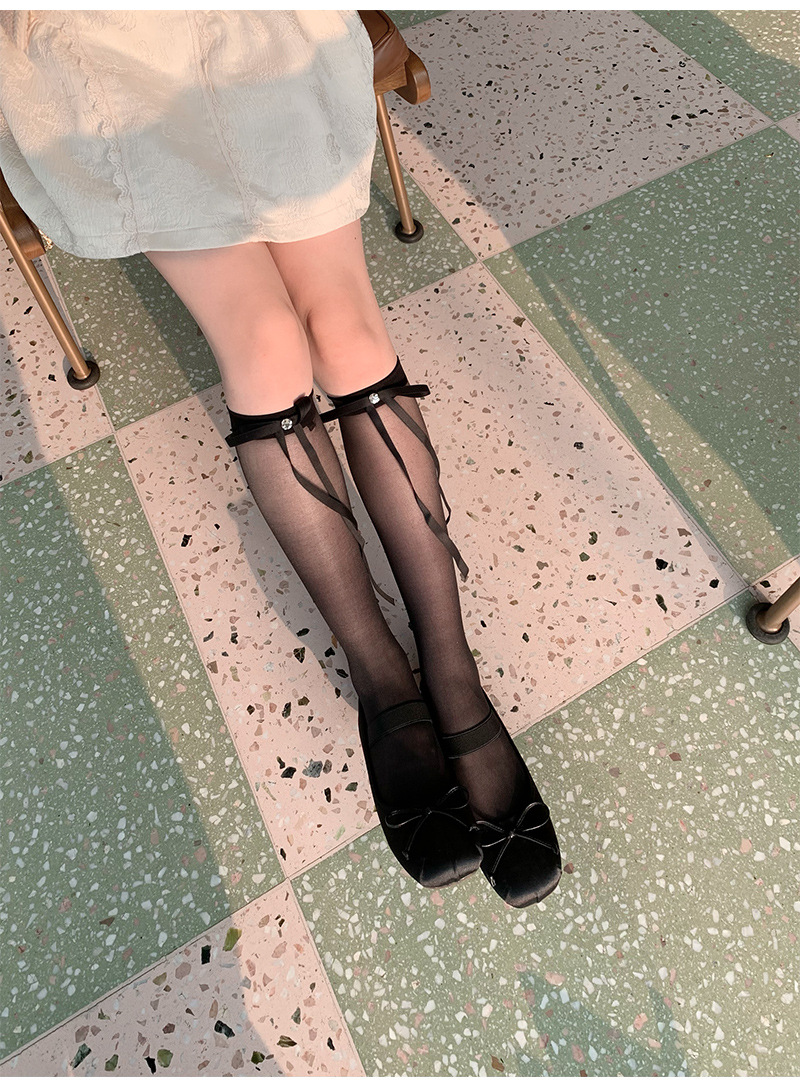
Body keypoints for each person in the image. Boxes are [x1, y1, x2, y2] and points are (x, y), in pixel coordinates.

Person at [0, 9, 561, 907]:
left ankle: (451, 670)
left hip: (255, 27)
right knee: (264, 344)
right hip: (100, 44)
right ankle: (381, 675)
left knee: (347, 335)